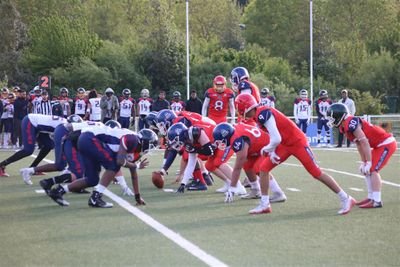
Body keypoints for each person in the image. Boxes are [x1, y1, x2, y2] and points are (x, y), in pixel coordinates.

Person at [248, 94, 356, 215]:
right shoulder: (259, 115)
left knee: (316, 172)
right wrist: (272, 150)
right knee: (263, 168)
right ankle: (264, 204)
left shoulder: (262, 114)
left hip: (297, 142)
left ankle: (346, 198)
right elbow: (274, 134)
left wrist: (268, 148)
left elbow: (276, 138)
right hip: (284, 145)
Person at [46, 126, 157, 207]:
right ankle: (96, 197)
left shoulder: (135, 148)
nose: (151, 149)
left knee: (92, 180)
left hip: (87, 140)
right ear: (145, 141)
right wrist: (135, 165)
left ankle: (59, 191)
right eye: (152, 144)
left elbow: (133, 171)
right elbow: (120, 161)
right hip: (89, 138)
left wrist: (137, 196)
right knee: (113, 165)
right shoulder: (133, 139)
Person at [327, 103, 397, 208]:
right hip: (378, 145)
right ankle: (371, 197)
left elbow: (364, 141)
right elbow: (359, 145)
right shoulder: (344, 127)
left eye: (332, 117)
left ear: (339, 116)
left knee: (373, 169)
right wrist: (364, 162)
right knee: (366, 170)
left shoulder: (351, 121)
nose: (331, 120)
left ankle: (377, 201)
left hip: (386, 142)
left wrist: (368, 162)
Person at [0, 105, 66, 178]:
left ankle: (33, 168)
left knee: (48, 146)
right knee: (28, 150)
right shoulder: (65, 127)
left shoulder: (67, 124)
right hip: (30, 121)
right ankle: (1, 165)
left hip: (40, 126)